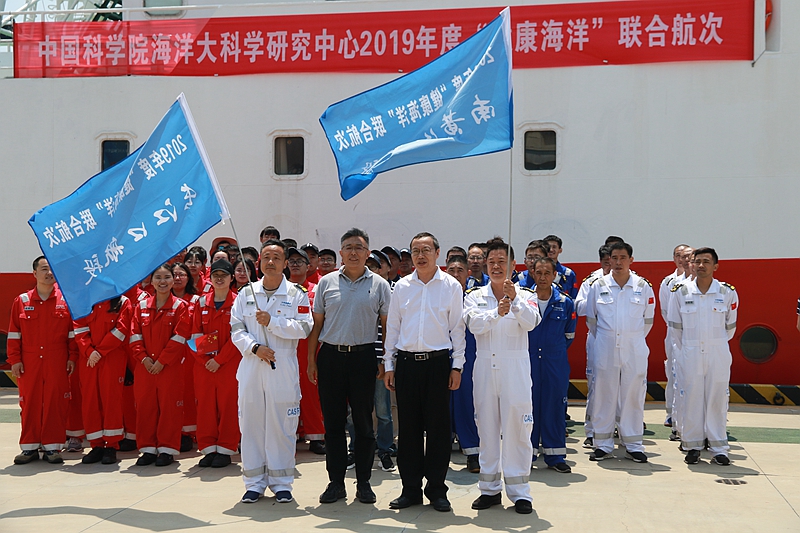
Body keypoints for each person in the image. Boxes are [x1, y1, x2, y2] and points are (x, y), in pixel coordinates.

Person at [307, 229, 392, 505]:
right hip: (330, 357)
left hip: (363, 358)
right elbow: (317, 325)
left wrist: (385, 361)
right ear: (341, 253)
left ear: (368, 253)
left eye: (359, 247)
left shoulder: (380, 285)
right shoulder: (326, 283)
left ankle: (364, 482)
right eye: (348, 247)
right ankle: (336, 483)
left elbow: (386, 328)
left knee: (364, 423)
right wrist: (311, 360)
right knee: (333, 424)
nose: (353, 252)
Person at [383, 232, 465, 513]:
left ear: (437, 253)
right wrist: (389, 365)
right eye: (416, 251)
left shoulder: (451, 286)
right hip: (407, 364)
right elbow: (393, 327)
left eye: (426, 250)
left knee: (439, 431)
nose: (420, 255)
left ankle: (437, 490)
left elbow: (457, 329)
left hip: (438, 364)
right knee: (409, 431)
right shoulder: (402, 287)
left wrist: (457, 366)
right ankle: (410, 490)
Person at [231, 239, 312, 504]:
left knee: (282, 426)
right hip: (252, 366)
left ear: (285, 263)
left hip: (282, 367)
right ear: (259, 262)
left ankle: (281, 483)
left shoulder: (296, 294)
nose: (270, 262)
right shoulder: (247, 293)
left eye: (276, 258)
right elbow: (236, 329)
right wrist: (255, 348)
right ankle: (254, 483)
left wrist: (273, 322)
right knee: (251, 424)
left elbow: (304, 328)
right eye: (266, 257)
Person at [464, 238, 540, 514]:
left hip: (514, 369)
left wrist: (515, 300)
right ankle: (489, 489)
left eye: (502, 262)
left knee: (518, 429)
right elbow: (474, 325)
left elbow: (531, 322)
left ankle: (520, 492)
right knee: (487, 428)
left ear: (513, 265)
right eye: (492, 262)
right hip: (485, 368)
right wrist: (496, 313)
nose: (496, 267)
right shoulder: (475, 296)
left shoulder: (526, 294)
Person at [585, 242, 655, 463]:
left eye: (622, 258)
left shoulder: (643, 286)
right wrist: (609, 338)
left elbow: (648, 321)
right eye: (614, 258)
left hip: (634, 347)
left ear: (631, 260)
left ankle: (633, 444)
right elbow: (592, 320)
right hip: (605, 346)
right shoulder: (598, 285)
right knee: (604, 394)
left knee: (633, 395)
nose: (618, 262)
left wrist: (629, 337)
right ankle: (602, 444)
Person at [668, 248, 738, 466]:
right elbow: (675, 328)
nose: (701, 265)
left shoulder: (727, 292)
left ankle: (718, 448)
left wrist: (714, 343)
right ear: (692, 264)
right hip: (690, 351)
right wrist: (687, 350)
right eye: (697, 261)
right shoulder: (680, 292)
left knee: (718, 399)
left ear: (715, 266)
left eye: (706, 261)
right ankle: (692, 446)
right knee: (692, 398)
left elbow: (730, 327)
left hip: (718, 351)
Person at [8, 256, 78, 465]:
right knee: (29, 402)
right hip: (29, 362)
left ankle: (52, 447)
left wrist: (72, 357)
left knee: (55, 402)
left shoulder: (65, 300)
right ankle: (29, 447)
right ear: (34, 273)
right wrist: (15, 360)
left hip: (57, 359)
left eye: (52, 269)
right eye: (45, 269)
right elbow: (14, 333)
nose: (49, 273)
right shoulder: (22, 301)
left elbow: (72, 334)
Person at [129, 264, 192, 467]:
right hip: (145, 367)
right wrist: (144, 358)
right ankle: (147, 449)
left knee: (169, 408)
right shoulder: (141, 306)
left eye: (166, 277)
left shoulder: (180, 307)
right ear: (152, 281)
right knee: (145, 407)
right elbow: (134, 335)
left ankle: (167, 449)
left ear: (173, 281)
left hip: (169, 368)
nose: (162, 281)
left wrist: (162, 361)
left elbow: (180, 337)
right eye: (158, 277)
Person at [190, 260, 241, 468]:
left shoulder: (238, 302)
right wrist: (206, 360)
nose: (219, 279)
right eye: (216, 275)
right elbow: (194, 334)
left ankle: (226, 449)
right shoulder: (201, 303)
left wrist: (219, 360)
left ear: (231, 278)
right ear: (210, 278)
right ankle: (208, 448)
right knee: (205, 406)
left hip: (229, 365)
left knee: (228, 406)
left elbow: (238, 336)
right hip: (204, 366)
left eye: (224, 275)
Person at [527, 257, 576, 474]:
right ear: (533, 273)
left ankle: (555, 455)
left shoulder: (565, 302)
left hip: (555, 363)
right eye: (538, 272)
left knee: (554, 407)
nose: (543, 277)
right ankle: (527, 454)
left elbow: (569, 335)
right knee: (527, 410)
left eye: (547, 273)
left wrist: (551, 351)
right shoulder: (524, 300)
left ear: (554, 275)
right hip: (528, 362)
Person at [73, 295, 133, 465]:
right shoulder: (84, 301)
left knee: (111, 400)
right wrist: (89, 351)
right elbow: (79, 328)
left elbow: (121, 330)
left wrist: (99, 351)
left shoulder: (122, 302)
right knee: (90, 401)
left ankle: (111, 446)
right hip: (89, 359)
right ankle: (96, 445)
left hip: (112, 357)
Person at [287, 247, 325, 455]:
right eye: (291, 261)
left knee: (311, 395)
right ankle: (291, 435)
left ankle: (316, 436)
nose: (295, 265)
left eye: (299, 261)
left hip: (310, 349)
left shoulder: (316, 290)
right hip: (286, 349)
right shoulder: (281, 289)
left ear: (308, 266)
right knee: (287, 394)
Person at [574, 245, 612, 448]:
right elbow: (579, 307)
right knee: (596, 387)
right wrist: (594, 299)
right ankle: (592, 430)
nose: (611, 266)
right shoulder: (591, 281)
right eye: (606, 262)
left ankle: (619, 429)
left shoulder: (632, 281)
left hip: (622, 342)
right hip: (598, 339)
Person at [446, 254, 480, 473]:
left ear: (468, 274)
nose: (456, 275)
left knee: (467, 405)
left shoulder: (475, 299)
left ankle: (473, 453)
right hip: (441, 358)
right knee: (442, 408)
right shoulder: (439, 298)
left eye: (460, 270)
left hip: (468, 361)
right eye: (452, 270)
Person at [366, 251, 396, 472]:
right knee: (356, 412)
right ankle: (356, 450)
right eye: (368, 266)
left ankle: (385, 449)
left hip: (381, 360)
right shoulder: (357, 291)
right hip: (359, 358)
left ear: (384, 269)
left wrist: (385, 360)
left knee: (383, 410)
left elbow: (390, 330)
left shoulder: (391, 292)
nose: (371, 270)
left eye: (375, 266)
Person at [659, 244, 689, 428]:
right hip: (673, 333)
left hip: (695, 335)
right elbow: (665, 310)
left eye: (686, 256)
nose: (682, 259)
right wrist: (677, 329)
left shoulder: (699, 282)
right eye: (678, 255)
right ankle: (671, 412)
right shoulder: (668, 282)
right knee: (673, 372)